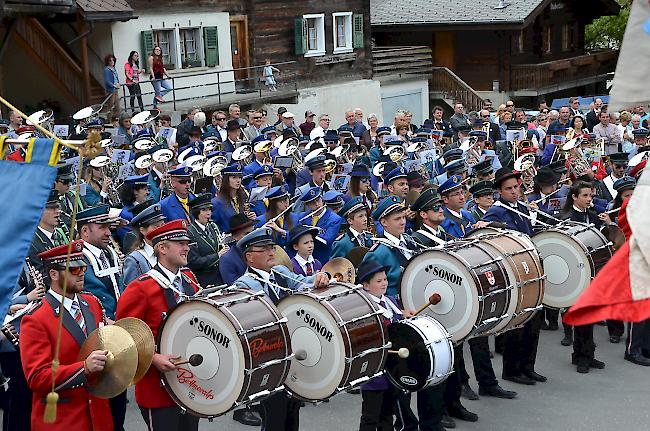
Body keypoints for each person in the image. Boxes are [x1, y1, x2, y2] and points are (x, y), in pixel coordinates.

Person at [233, 228, 330, 431]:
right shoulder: (244, 284)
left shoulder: (279, 272)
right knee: (274, 415)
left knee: (292, 412)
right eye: (264, 249)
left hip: (290, 349)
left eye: (272, 247)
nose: (271, 252)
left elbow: (303, 283)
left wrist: (323, 276)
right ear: (249, 257)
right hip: (268, 353)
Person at [116, 220, 200, 431]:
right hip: (158, 388)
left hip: (191, 383)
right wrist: (153, 358)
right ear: (162, 248)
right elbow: (123, 335)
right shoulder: (141, 288)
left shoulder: (189, 279)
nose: (186, 247)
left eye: (187, 242)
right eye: (180, 242)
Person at [20, 241, 113, 431]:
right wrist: (84, 368)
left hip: (99, 416)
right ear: (53, 274)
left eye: (83, 268)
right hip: (64, 421)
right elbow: (37, 377)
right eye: (74, 270)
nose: (82, 274)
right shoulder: (35, 318)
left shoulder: (92, 303)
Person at [482, 168, 547, 385]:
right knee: (516, 325)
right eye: (508, 189)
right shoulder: (495, 212)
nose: (514, 192)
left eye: (516, 187)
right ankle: (512, 370)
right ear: (499, 191)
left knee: (533, 322)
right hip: (513, 273)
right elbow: (489, 241)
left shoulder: (522, 208)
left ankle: (528, 367)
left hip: (530, 270)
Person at [559, 181, 610, 373]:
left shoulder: (592, 215)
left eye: (591, 196)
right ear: (574, 197)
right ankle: (582, 357)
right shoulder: (568, 218)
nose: (589, 200)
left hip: (592, 270)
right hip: (577, 272)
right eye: (585, 196)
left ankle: (586, 354)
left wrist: (607, 224)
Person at [356, 260, 404, 431]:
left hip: (392, 369)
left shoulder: (390, 301)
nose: (384, 283)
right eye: (379, 281)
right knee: (370, 416)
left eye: (385, 279)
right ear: (366, 286)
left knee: (387, 414)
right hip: (374, 372)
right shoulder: (364, 308)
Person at [187, 193, 228, 287]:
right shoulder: (191, 233)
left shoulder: (213, 226)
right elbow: (194, 262)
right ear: (196, 212)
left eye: (209, 209)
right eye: (204, 210)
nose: (209, 213)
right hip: (204, 280)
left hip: (221, 276)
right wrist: (218, 255)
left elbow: (219, 245)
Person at [122, 203, 165, 286]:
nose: (161, 230)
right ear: (142, 230)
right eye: (156, 227)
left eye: (162, 225)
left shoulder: (169, 251)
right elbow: (131, 293)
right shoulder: (134, 260)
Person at [297, 186, 342, 264]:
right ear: (307, 205)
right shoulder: (302, 217)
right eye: (312, 203)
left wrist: (309, 231)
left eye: (318, 200)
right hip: (304, 260)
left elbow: (327, 240)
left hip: (323, 261)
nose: (317, 204)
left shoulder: (334, 219)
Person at [211, 164, 255, 232]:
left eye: (240, 177)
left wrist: (249, 218)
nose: (238, 181)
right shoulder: (216, 203)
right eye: (234, 177)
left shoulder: (243, 198)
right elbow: (214, 228)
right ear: (226, 180)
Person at [219, 214, 255, 285]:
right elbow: (235, 286)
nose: (251, 236)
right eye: (246, 234)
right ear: (235, 237)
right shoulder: (227, 259)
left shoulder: (260, 251)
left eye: (252, 232)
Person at [103, 53, 121, 120]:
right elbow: (107, 81)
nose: (112, 62)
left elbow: (116, 78)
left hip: (115, 89)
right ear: (108, 61)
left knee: (117, 105)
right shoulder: (107, 70)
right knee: (110, 105)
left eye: (113, 60)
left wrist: (118, 84)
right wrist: (113, 85)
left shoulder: (113, 68)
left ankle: (115, 119)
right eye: (110, 61)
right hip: (110, 90)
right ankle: (109, 120)